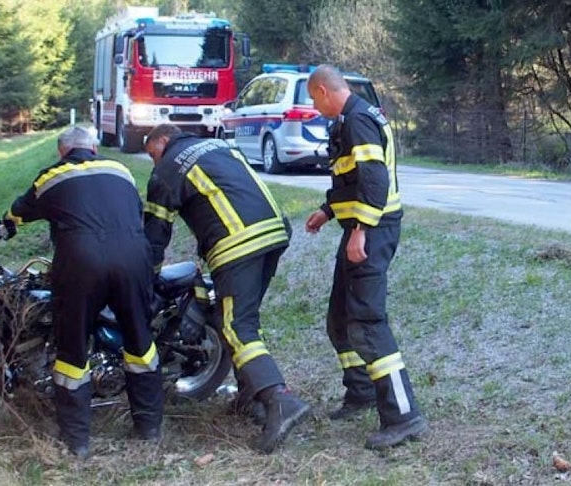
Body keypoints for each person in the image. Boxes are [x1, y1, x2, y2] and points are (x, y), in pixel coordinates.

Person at [142, 123, 309, 454]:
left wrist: (146, 275)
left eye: (151, 154)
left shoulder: (167, 168)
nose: (153, 162)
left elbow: (156, 234)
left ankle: (280, 401)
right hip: (275, 231)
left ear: (163, 140)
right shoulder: (219, 147)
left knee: (236, 326)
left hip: (237, 243)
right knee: (235, 319)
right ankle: (251, 397)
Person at [2, 126, 164, 460]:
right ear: (93, 148)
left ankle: (77, 441)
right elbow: (133, 210)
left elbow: (19, 211)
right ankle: (149, 429)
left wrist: (7, 223)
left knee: (72, 350)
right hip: (134, 258)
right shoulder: (120, 170)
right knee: (140, 341)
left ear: (63, 151)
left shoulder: (53, 176)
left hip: (80, 264)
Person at [304, 65, 429, 450]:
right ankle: (360, 392)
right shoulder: (351, 119)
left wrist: (361, 230)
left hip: (372, 231)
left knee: (367, 323)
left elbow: (375, 179)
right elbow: (351, 178)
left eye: (313, 98)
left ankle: (403, 416)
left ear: (324, 90)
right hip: (360, 228)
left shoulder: (358, 120)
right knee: (340, 319)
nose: (314, 105)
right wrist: (328, 210)